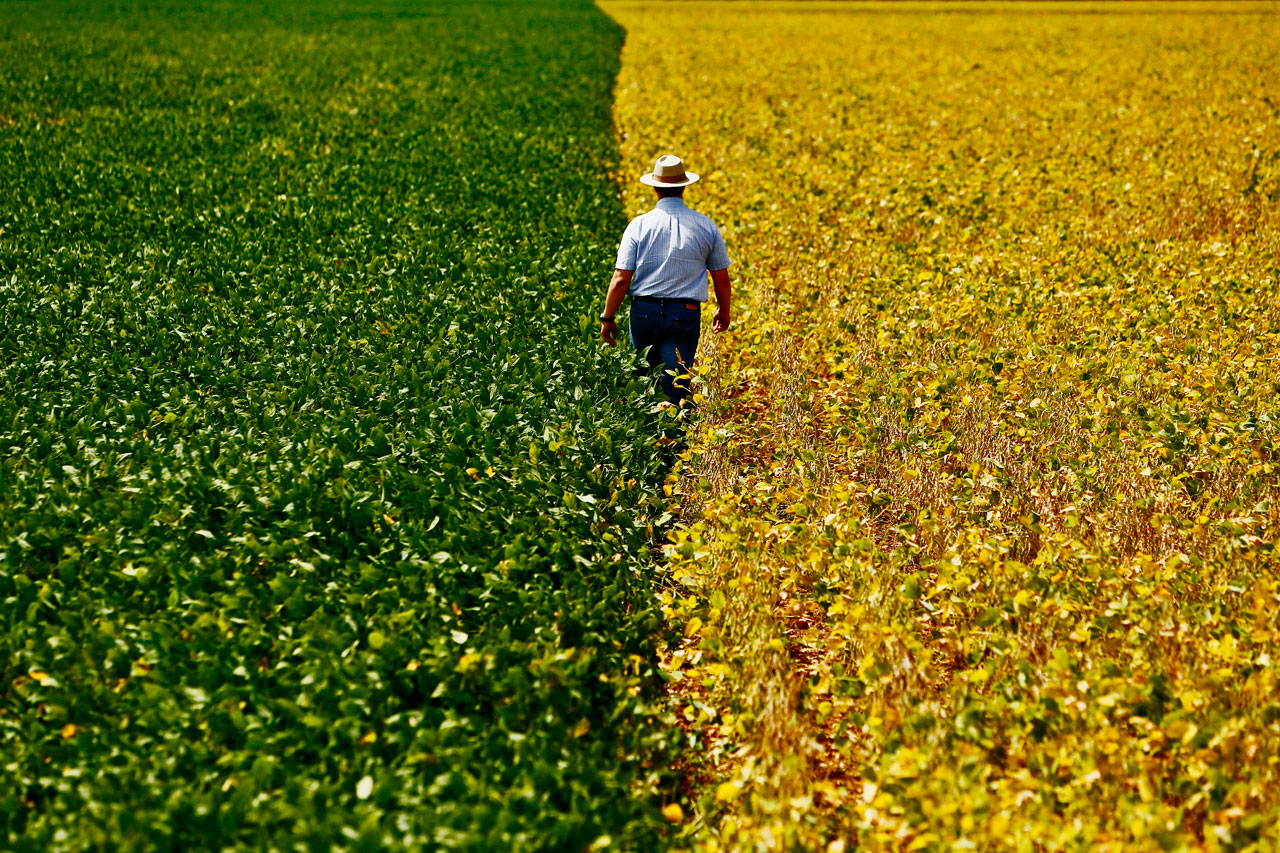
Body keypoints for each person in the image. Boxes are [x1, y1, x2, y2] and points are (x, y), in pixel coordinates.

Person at [600, 154, 732, 407]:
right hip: (685, 313)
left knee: (644, 381)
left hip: (644, 312)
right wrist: (723, 311)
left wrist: (607, 318)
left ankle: (646, 437)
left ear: (654, 188)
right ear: (684, 186)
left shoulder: (638, 225)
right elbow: (721, 279)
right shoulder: (706, 226)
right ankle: (672, 439)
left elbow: (620, 279)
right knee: (675, 385)